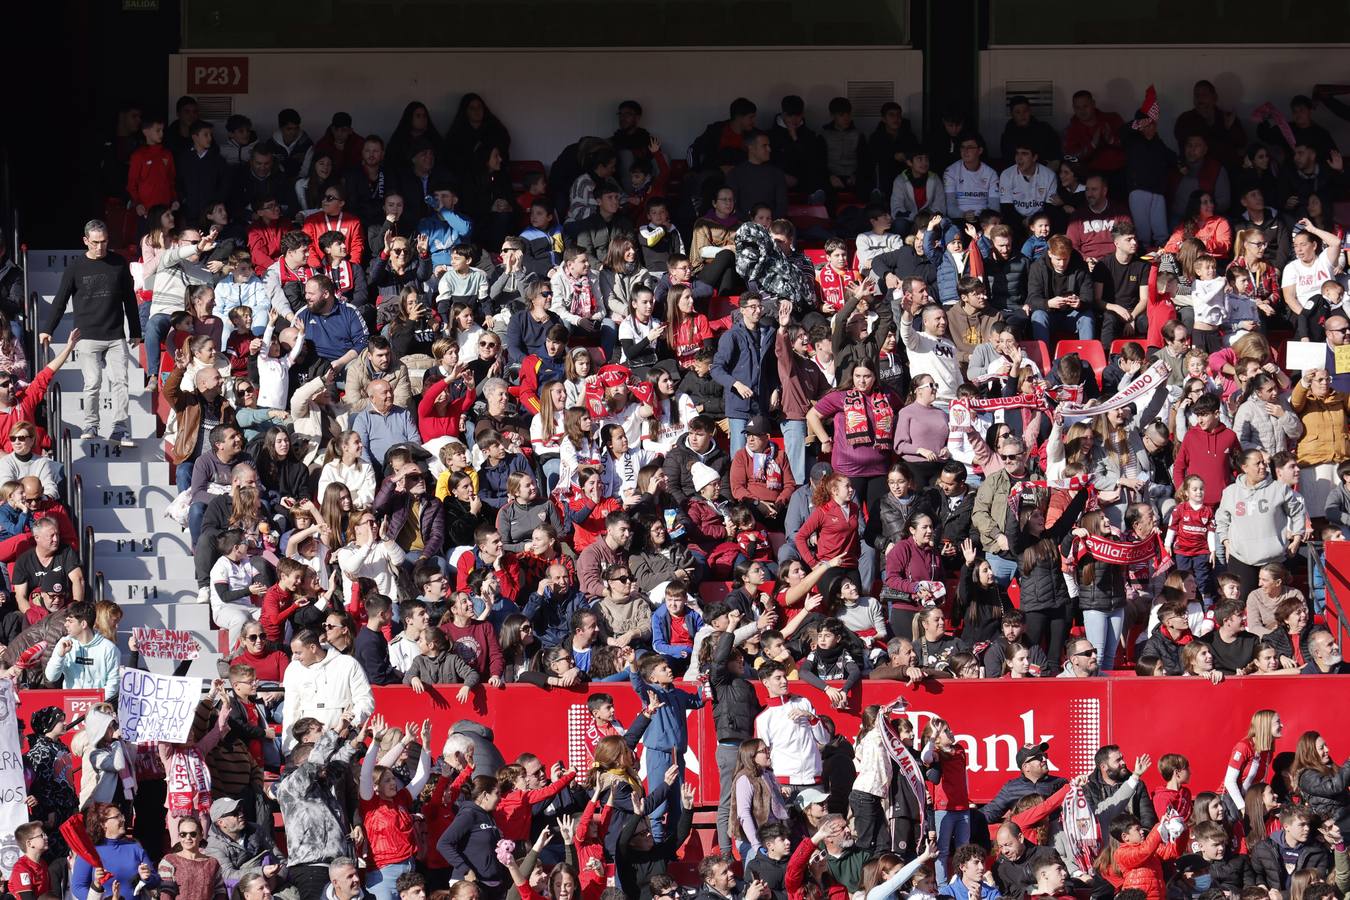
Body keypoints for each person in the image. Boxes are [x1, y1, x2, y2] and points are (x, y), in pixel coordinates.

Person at [42, 220, 138, 444]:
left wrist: (135, 329)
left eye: (104, 242)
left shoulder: (118, 262)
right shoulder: (76, 267)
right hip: (87, 335)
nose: (100, 247)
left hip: (115, 334)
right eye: (95, 242)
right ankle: (91, 424)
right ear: (86, 241)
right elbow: (60, 300)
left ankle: (120, 427)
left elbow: (130, 299)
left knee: (120, 381)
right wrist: (48, 329)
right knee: (92, 382)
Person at [1217, 449, 1306, 599]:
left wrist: (1297, 539)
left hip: (1274, 558)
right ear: (1244, 468)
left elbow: (1297, 513)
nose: (1263, 466)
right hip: (1241, 558)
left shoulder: (1279, 489)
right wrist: (1226, 542)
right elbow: (1221, 520)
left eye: (1264, 463)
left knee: (1275, 604)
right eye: (1257, 463)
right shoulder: (1230, 492)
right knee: (1241, 601)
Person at [280, 629, 375, 750]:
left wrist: (350, 725)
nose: (294, 657)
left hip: (344, 741)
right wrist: (289, 748)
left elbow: (365, 700)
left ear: (313, 648)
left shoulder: (348, 664)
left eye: (298, 653)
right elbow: (290, 710)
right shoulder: (293, 669)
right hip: (309, 745)